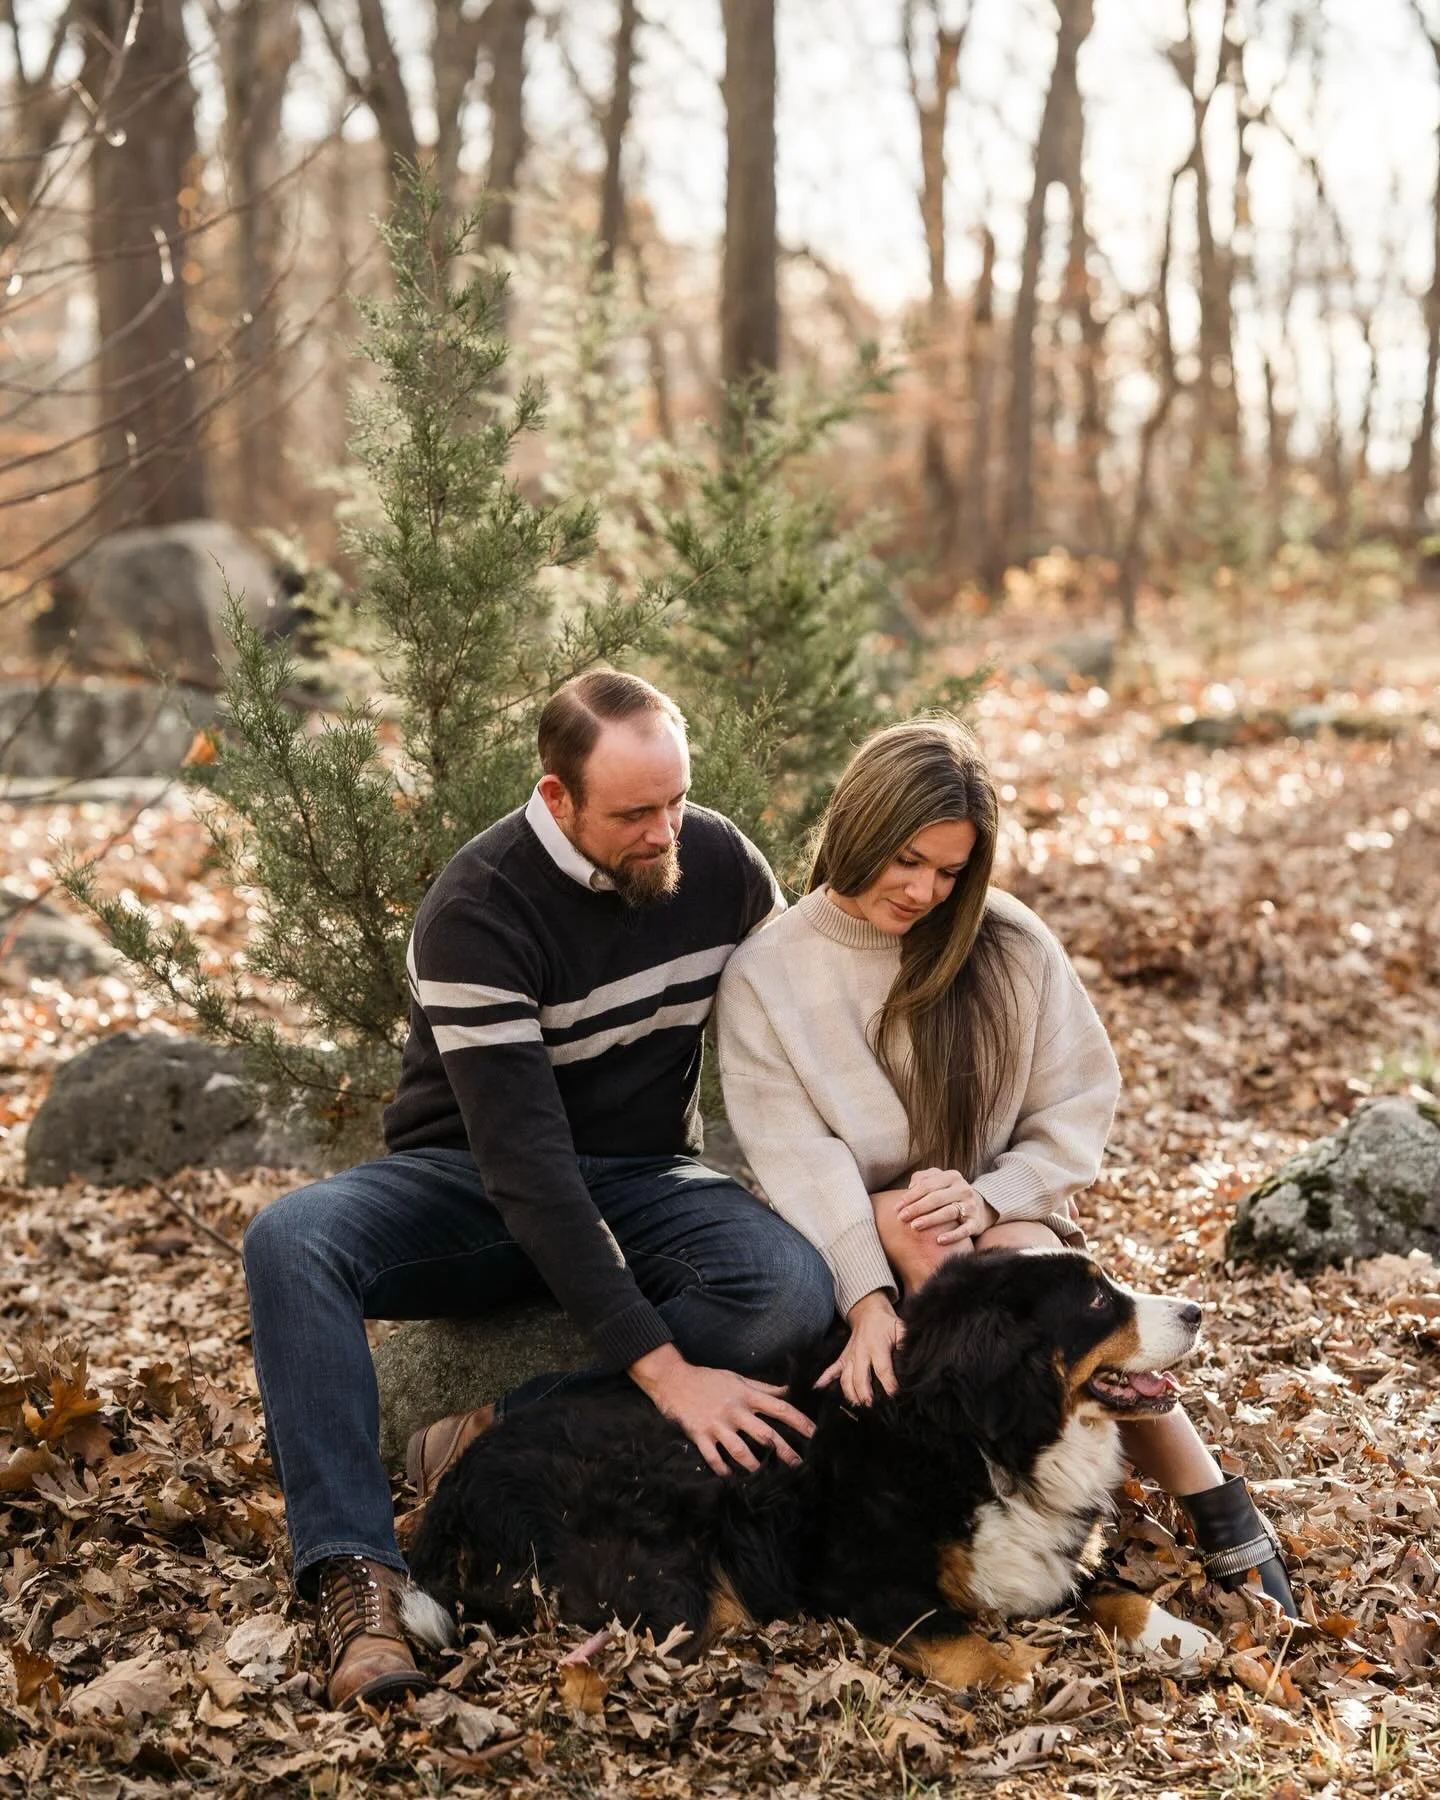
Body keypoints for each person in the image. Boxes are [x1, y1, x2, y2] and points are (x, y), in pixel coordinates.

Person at [242, 671, 835, 1708]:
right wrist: (665, 1375)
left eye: (677, 801)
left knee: (790, 1289)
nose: (666, 834)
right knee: (290, 1239)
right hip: (468, 1178)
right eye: (635, 813)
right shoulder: (478, 909)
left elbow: (806, 1031)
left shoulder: (724, 863)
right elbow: (529, 1170)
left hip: (647, 1172)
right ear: (557, 800)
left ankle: (498, 1431)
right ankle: (359, 1580)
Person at [715, 715, 1297, 1617]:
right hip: (851, 1226)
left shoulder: (1007, 941)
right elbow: (798, 1158)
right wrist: (866, 1302)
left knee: (1018, 1258)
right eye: (906, 859)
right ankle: (1129, 1508)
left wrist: (989, 1197)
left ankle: (1207, 1496)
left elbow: (1074, 1107)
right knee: (914, 1219)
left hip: (996, 1217)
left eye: (950, 872)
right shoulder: (770, 970)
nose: (923, 891)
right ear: (856, 827)